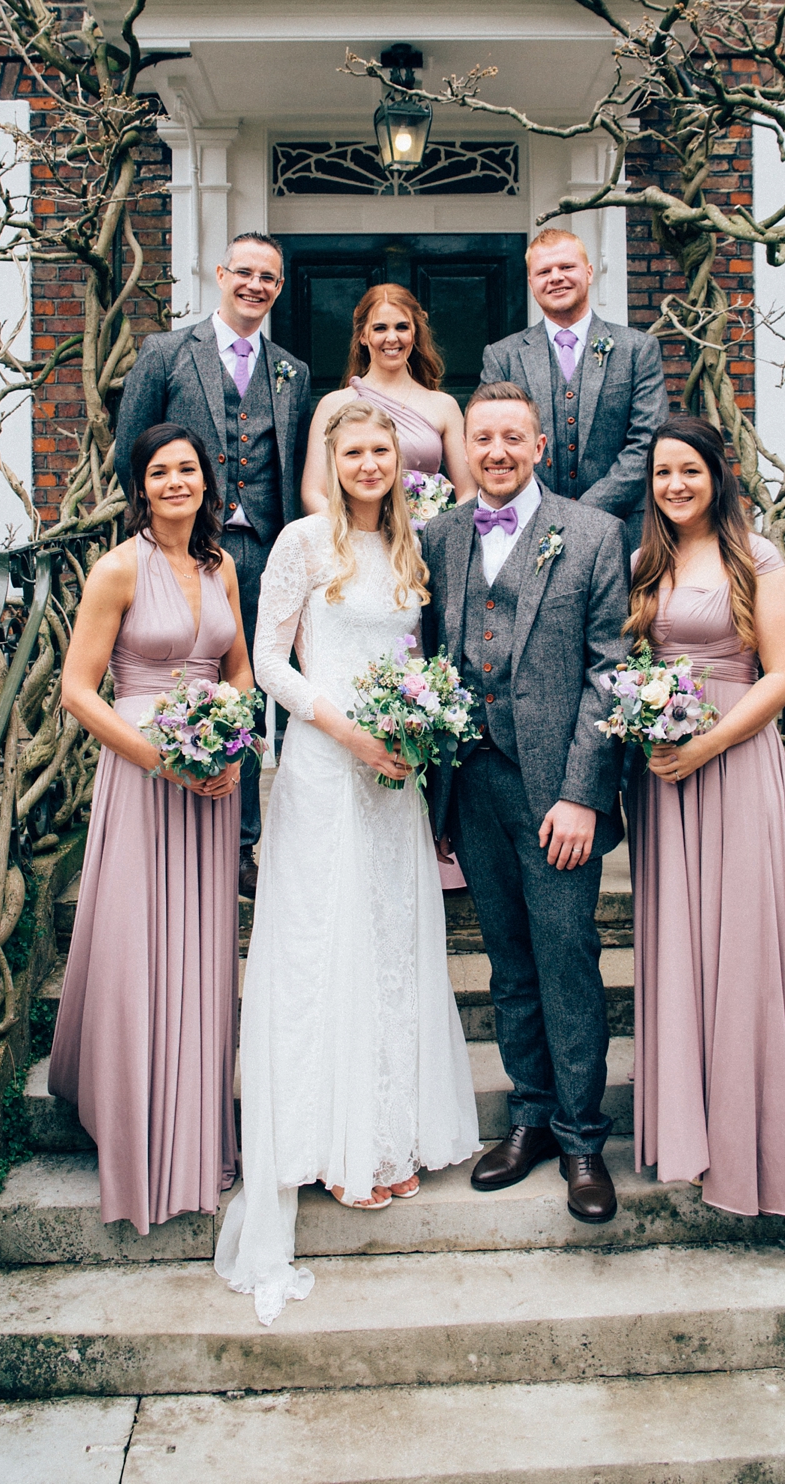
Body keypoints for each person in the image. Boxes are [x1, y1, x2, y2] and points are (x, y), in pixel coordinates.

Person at [214, 399, 479, 1325]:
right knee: (325, 951)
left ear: (400, 463)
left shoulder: (415, 547)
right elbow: (269, 661)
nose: (370, 464)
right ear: (330, 460)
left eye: (382, 452)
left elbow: (422, 661)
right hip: (328, 773)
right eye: (354, 451)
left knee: (391, 950)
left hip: (393, 780)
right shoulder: (300, 540)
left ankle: (386, 1140)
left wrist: (410, 730)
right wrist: (347, 730)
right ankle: (331, 1147)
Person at [629, 414, 785, 1217]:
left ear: (718, 474)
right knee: (685, 946)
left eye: (688, 470)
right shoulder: (645, 560)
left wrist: (705, 746)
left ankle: (756, 1147)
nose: (675, 485)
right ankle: (688, 1132)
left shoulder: (754, 556)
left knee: (744, 943)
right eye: (662, 473)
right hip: (665, 778)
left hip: (732, 758)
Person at [421, 381, 629, 1225]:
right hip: (472, 784)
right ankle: (530, 1118)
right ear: (466, 448)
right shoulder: (438, 536)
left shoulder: (592, 534)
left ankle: (583, 1139)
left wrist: (582, 794)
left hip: (557, 794)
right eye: (484, 439)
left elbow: (608, 671)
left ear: (540, 446)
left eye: (514, 438)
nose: (497, 452)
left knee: (567, 961)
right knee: (507, 964)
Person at [49, 424, 252, 1235]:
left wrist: (231, 733)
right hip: (146, 774)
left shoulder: (222, 565)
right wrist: (163, 761)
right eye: (162, 472)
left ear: (207, 481)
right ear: (141, 486)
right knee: (140, 947)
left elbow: (235, 668)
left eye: (189, 470)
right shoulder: (118, 567)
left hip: (214, 782)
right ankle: (138, 1143)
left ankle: (196, 1137)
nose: (178, 482)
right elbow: (77, 690)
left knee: (202, 952)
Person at [115, 232, 311, 899]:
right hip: (190, 550)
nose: (257, 285)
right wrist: (162, 540)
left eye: (270, 278)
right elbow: (129, 454)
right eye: (246, 273)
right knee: (197, 680)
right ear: (221, 273)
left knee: (258, 686)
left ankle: (253, 841)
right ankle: (204, 821)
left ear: (279, 289)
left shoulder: (292, 370)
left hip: (268, 549)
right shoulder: (166, 352)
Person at [479, 227, 668, 547]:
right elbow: (494, 443)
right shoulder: (503, 357)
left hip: (623, 529)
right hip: (530, 530)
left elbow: (649, 440)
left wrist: (587, 513)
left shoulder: (637, 349)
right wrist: (544, 510)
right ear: (531, 282)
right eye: (543, 271)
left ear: (589, 272)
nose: (556, 277)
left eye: (566, 267)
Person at [300, 282, 474, 514]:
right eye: (380, 328)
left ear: (414, 333)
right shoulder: (333, 404)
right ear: (363, 336)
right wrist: (354, 535)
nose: (392, 338)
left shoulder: (444, 406)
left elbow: (469, 492)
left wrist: (436, 535)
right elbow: (313, 493)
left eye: (402, 327)